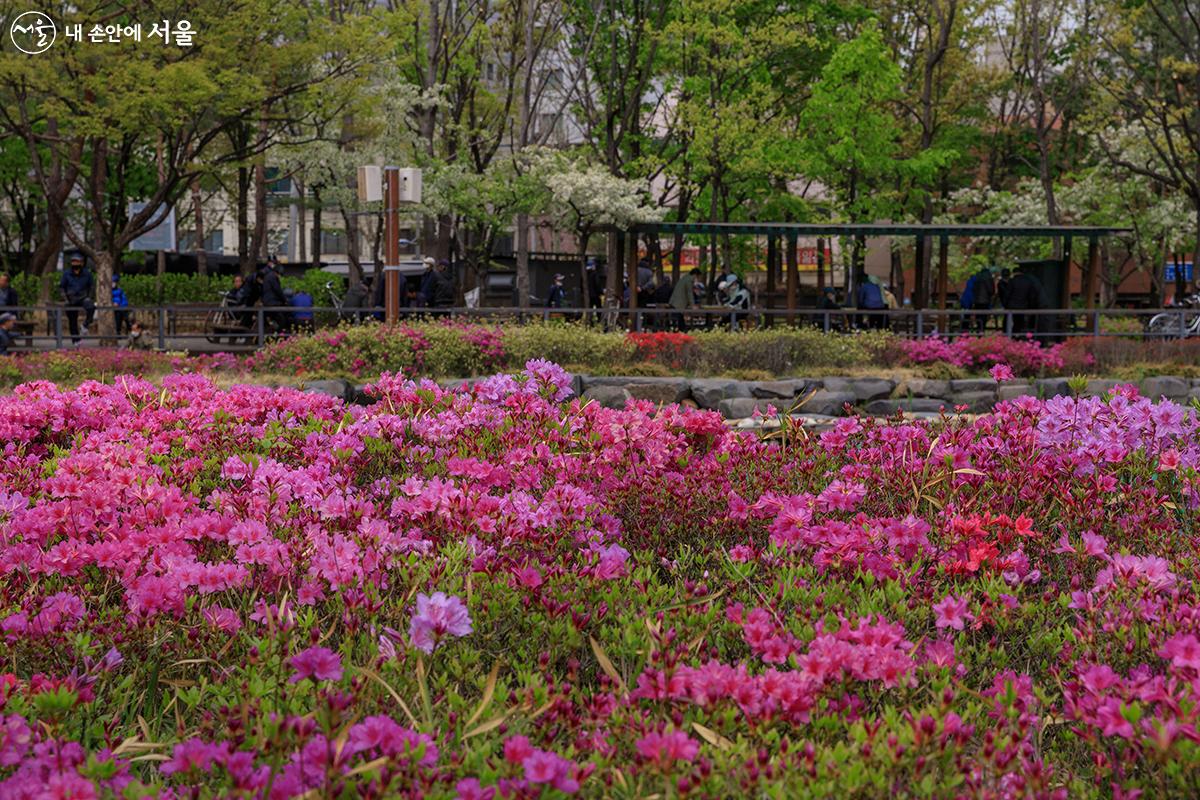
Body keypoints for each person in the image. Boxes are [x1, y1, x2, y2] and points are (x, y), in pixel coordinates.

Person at [59, 255, 95, 344]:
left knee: (91, 307)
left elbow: (92, 286)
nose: (75, 263)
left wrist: (89, 297)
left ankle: (85, 325)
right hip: (71, 299)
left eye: (77, 262)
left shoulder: (87, 274)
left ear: (81, 263)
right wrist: (66, 299)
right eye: (73, 262)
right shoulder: (66, 274)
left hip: (83, 297)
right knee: (72, 319)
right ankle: (76, 340)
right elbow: (62, 287)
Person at [1002, 264, 1045, 336]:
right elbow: (1031, 296)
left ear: (1014, 273)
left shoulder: (1012, 281)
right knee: (1020, 323)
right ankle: (1019, 336)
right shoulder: (1028, 282)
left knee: (1011, 323)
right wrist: (1030, 306)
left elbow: (1007, 294)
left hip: (1012, 307)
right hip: (1023, 306)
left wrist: (1005, 305)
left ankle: (1012, 337)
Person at [257, 262, 287, 333]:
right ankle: (279, 334)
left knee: (273, 317)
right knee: (282, 319)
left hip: (267, 302)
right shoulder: (273, 277)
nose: (280, 276)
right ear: (277, 272)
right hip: (272, 303)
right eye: (280, 275)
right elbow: (278, 290)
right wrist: (284, 300)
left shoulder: (268, 276)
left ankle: (272, 330)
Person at [969, 267, 995, 334]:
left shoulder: (977, 278)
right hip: (985, 301)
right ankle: (982, 330)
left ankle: (979, 330)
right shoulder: (988, 278)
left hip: (976, 300)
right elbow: (991, 290)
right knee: (984, 317)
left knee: (978, 316)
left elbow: (973, 289)